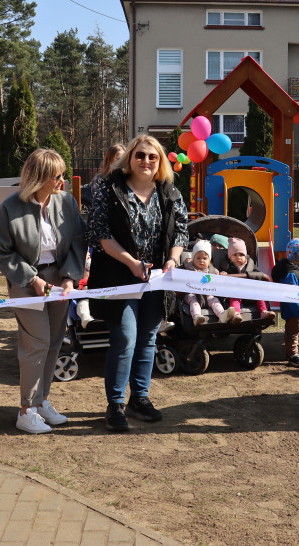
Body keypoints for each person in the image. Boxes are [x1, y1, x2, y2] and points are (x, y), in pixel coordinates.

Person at [87, 134, 189, 433]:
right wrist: (131, 263)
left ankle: (139, 399)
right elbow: (100, 233)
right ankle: (115, 404)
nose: (146, 161)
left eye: (152, 157)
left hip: (156, 278)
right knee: (126, 338)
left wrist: (172, 259)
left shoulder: (169, 192)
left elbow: (182, 230)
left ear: (160, 163)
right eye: (140, 155)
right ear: (129, 159)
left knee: (148, 339)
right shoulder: (111, 189)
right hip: (119, 275)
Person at [0, 148, 87, 435]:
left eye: (62, 175)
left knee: (55, 340)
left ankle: (43, 401)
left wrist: (70, 278)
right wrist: (32, 279)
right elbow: (0, 250)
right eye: (57, 176)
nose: (62, 181)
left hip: (59, 279)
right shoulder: (10, 207)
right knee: (37, 342)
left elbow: (79, 242)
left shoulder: (66, 202)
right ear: (40, 178)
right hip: (26, 283)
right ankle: (26, 410)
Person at [74, 143, 126, 328]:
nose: (120, 162)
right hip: (106, 236)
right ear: (109, 161)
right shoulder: (102, 181)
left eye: (122, 158)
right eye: (116, 159)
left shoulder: (129, 179)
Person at [272, 238, 299, 368]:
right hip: (294, 311)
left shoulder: (292, 270)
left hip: (298, 310)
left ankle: (293, 353)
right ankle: (293, 355)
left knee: (295, 332)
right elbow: (292, 296)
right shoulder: (291, 274)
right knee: (293, 333)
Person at [219, 237, 274, 322]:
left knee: (259, 293)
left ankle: (263, 311)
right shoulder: (226, 265)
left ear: (245, 256)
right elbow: (221, 274)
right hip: (234, 291)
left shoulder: (250, 265)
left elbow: (258, 275)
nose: (238, 258)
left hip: (249, 291)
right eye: (235, 255)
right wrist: (223, 273)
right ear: (229, 257)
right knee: (234, 298)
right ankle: (236, 314)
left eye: (241, 255)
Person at [184, 239, 235, 325]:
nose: (201, 261)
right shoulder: (189, 268)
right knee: (193, 301)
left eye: (205, 258)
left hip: (207, 293)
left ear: (209, 260)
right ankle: (197, 317)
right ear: (193, 259)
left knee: (214, 300)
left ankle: (222, 315)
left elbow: (218, 278)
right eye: (198, 258)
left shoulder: (212, 270)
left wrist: (223, 274)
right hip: (192, 292)